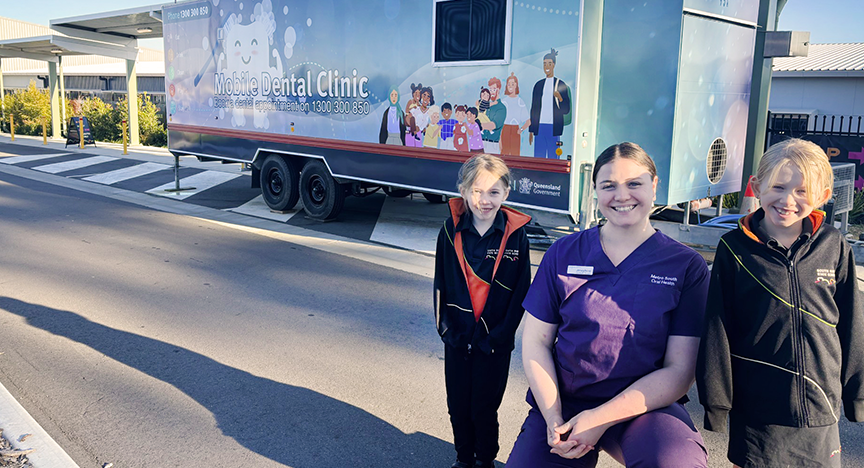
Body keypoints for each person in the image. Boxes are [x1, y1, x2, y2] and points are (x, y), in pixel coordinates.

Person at [507, 142, 710, 467]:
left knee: (676, 461)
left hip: (645, 407)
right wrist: (553, 416)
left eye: (634, 183)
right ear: (595, 191)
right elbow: (536, 342)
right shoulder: (563, 253)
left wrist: (600, 419)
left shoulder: (685, 266)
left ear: (654, 185)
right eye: (609, 186)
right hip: (567, 403)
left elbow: (680, 371)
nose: (622, 195)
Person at [696, 138, 864, 468]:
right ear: (757, 186)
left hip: (821, 409)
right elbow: (717, 329)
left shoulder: (833, 245)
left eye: (802, 191)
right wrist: (717, 403)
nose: (788, 200)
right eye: (778, 186)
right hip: (758, 413)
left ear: (823, 197)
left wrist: (856, 393)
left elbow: (853, 324)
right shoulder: (734, 250)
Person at [434, 153, 532, 468]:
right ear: (463, 190)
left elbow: (521, 293)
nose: (485, 200)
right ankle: (464, 459)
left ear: (506, 193)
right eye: (477, 191)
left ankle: (485, 460)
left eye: (493, 192)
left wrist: (501, 337)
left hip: (494, 344)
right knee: (458, 406)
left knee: (484, 408)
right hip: (457, 339)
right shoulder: (449, 230)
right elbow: (440, 285)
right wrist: (447, 331)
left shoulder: (516, 235)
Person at [528, 48, 571, 159]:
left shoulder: (560, 85)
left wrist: (560, 98)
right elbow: (534, 109)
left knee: (554, 157)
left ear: (554, 65)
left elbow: (566, 109)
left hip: (553, 128)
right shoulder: (538, 85)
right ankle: (537, 176)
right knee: (538, 158)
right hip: (539, 127)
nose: (546, 67)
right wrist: (531, 130)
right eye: (544, 64)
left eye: (549, 64)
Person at [499, 73, 530, 156]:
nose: (510, 86)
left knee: (515, 154)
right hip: (505, 128)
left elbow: (528, 121)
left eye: (513, 84)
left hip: (515, 129)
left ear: (516, 85)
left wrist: (521, 129)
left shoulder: (520, 101)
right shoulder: (504, 102)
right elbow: (499, 120)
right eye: (509, 84)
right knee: (504, 153)